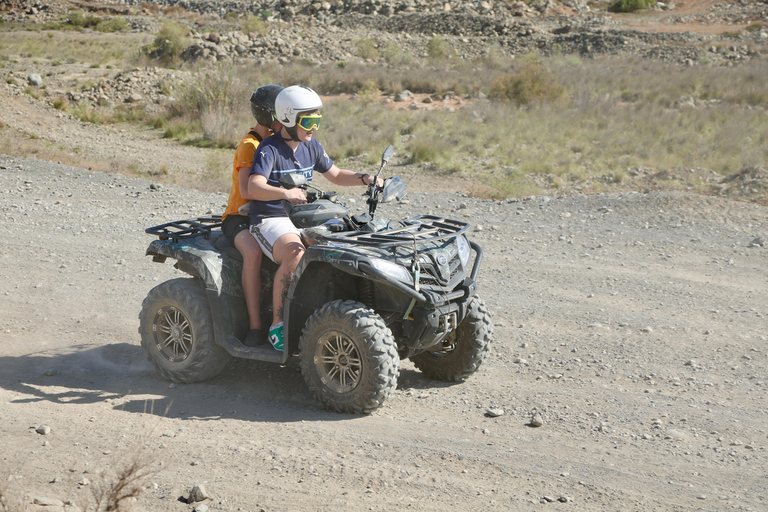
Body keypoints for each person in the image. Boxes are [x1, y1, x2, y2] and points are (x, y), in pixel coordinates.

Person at [247, 85, 383, 351]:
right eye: (309, 121)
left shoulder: (311, 146)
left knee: (344, 245)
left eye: (317, 121)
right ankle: (278, 324)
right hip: (269, 217)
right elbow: (253, 186)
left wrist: (366, 179)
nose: (314, 128)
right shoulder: (269, 149)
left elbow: (335, 174)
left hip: (304, 217)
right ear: (288, 118)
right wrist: (284, 193)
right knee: (295, 253)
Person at [221, 85, 283, 347]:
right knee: (254, 253)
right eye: (282, 115)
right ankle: (256, 326)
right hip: (239, 217)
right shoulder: (250, 145)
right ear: (270, 117)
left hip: (267, 213)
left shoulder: (278, 144)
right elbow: (247, 190)